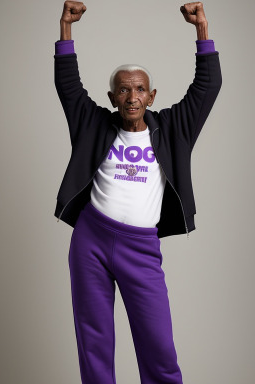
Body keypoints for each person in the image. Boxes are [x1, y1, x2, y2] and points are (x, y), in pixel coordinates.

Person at [53, 1, 222, 383]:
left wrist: (202, 30)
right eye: (124, 90)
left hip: (141, 249)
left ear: (152, 95)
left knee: (159, 347)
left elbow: (207, 88)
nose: (132, 97)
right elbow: (67, 86)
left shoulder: (173, 129)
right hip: (91, 241)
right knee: (94, 344)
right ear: (112, 98)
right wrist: (66, 28)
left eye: (140, 89)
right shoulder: (94, 125)